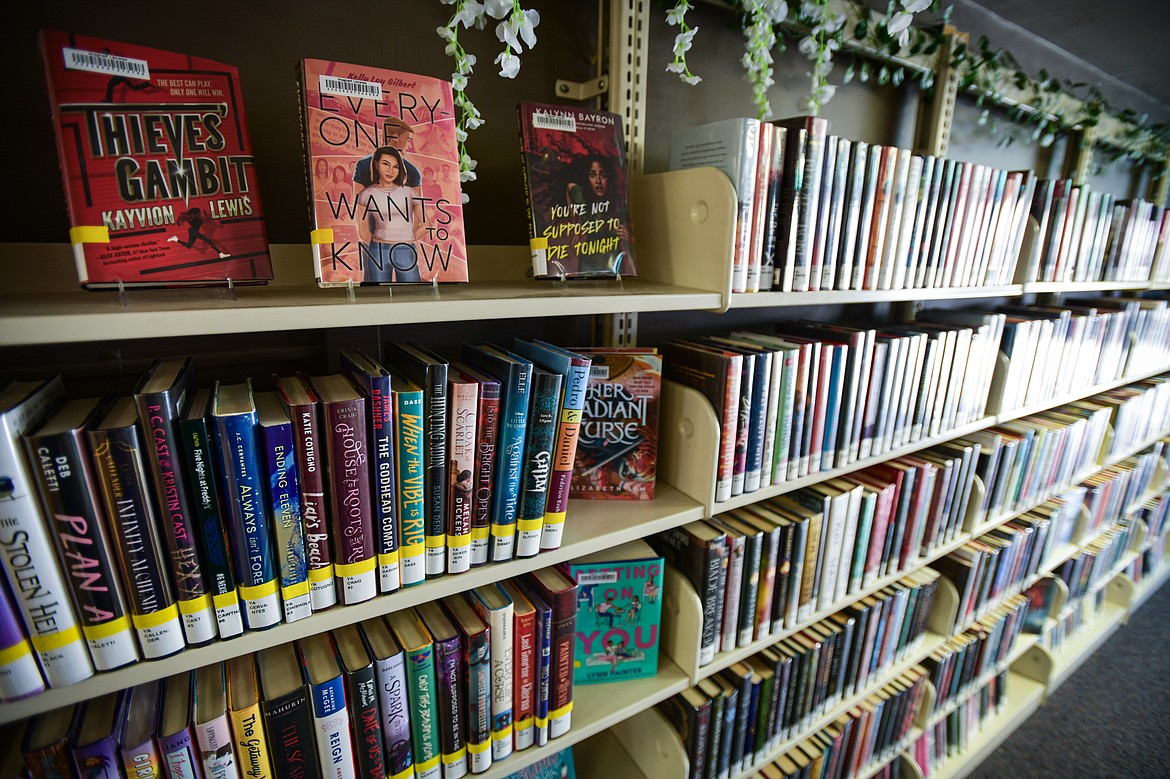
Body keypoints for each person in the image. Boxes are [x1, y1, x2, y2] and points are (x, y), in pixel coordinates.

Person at [355, 146, 427, 282]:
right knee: (379, 295)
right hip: (378, 250)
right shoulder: (366, 194)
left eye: (395, 167)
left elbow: (427, 224)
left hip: (406, 249)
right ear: (376, 165)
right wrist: (378, 246)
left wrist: (408, 241)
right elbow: (363, 231)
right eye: (385, 164)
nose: (390, 171)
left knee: (412, 293)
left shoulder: (410, 192)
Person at [563, 154, 630, 276]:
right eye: (592, 175)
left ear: (610, 178)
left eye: (603, 175)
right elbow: (569, 188)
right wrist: (575, 227)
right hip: (587, 262)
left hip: (613, 263)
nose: (598, 181)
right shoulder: (582, 196)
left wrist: (629, 237)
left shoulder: (619, 202)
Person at [353, 117, 421, 188]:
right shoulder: (413, 171)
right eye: (408, 140)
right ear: (395, 137)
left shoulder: (413, 172)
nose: (410, 146)